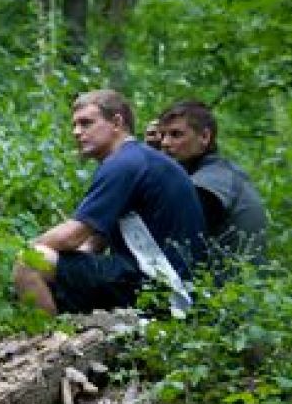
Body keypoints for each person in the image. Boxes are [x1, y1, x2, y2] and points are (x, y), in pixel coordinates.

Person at [12, 89, 206, 315]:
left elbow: (72, 235)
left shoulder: (124, 163)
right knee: (55, 269)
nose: (76, 132)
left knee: (30, 262)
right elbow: (94, 241)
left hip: (161, 289)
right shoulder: (138, 158)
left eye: (86, 123)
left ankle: (45, 343)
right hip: (171, 287)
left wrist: (26, 251)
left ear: (116, 122)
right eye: (74, 125)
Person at [158, 101, 268, 269]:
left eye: (176, 134)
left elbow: (171, 222)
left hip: (228, 290)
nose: (165, 143)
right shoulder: (218, 173)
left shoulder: (215, 177)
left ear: (204, 137)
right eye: (162, 135)